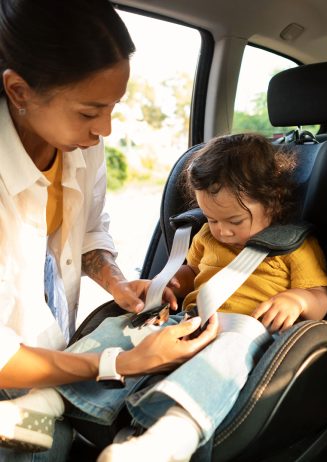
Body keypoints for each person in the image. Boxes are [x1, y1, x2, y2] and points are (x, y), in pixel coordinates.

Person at [1, 133, 327, 461]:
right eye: (212, 219)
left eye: (234, 220)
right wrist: (172, 282)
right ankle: (43, 405)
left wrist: (298, 301)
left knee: (229, 355)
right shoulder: (208, 236)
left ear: (273, 201)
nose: (222, 231)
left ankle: (168, 440)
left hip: (247, 332)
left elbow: (320, 295)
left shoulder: (293, 246)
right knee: (122, 327)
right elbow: (193, 272)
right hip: (190, 322)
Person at [0, 0, 218, 460]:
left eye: (113, 107)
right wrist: (120, 363)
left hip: (45, 354)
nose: (106, 128)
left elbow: (89, 234)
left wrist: (117, 284)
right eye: (89, 111)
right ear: (19, 90)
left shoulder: (81, 146)